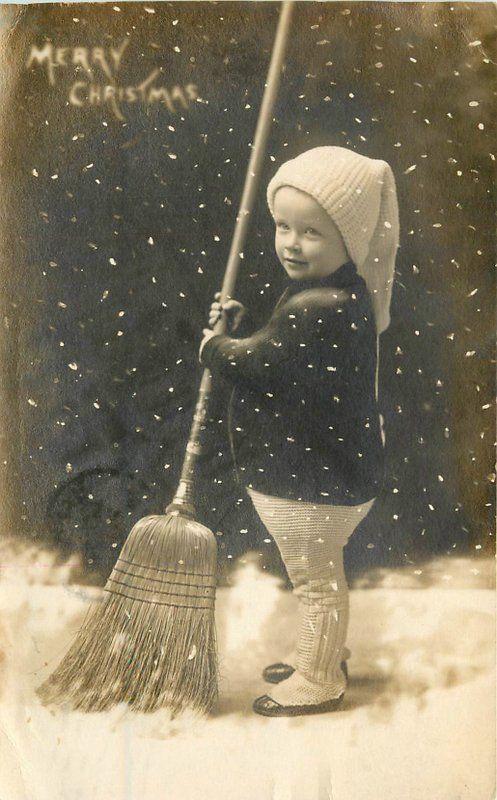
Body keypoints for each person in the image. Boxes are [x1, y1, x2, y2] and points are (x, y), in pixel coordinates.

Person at [199, 146, 400, 717]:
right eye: (283, 226)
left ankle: (318, 676)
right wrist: (241, 330)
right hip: (321, 468)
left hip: (311, 479)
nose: (290, 242)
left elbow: (264, 363)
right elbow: (281, 351)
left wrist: (217, 347)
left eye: (311, 232)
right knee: (319, 576)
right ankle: (324, 654)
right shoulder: (335, 295)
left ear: (349, 240)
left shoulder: (322, 305)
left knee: (315, 582)